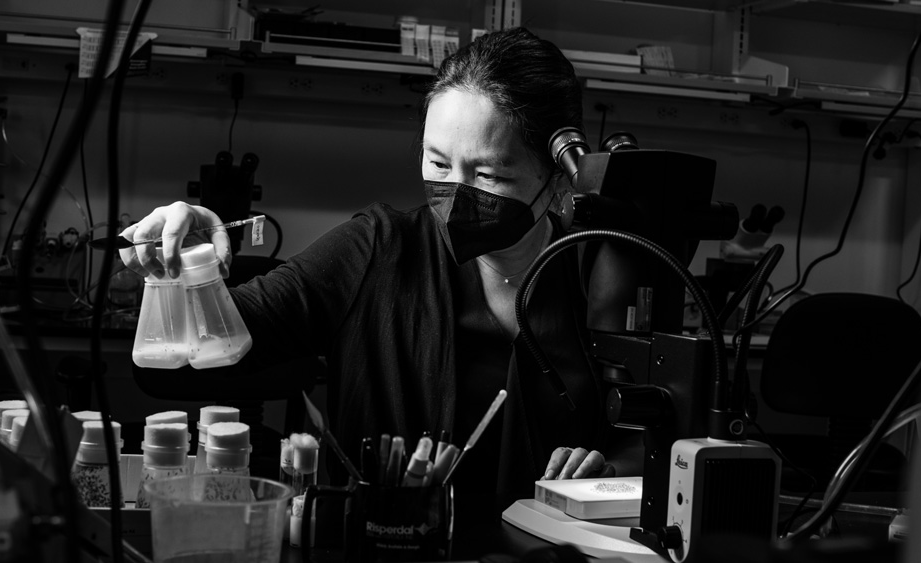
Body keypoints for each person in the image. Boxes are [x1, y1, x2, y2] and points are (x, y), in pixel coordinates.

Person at [121, 27, 635, 541]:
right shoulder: (376, 250)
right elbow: (190, 354)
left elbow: (653, 435)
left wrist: (609, 472)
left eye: (488, 176)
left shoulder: (601, 269)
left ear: (560, 174)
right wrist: (185, 271)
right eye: (438, 163)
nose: (455, 196)